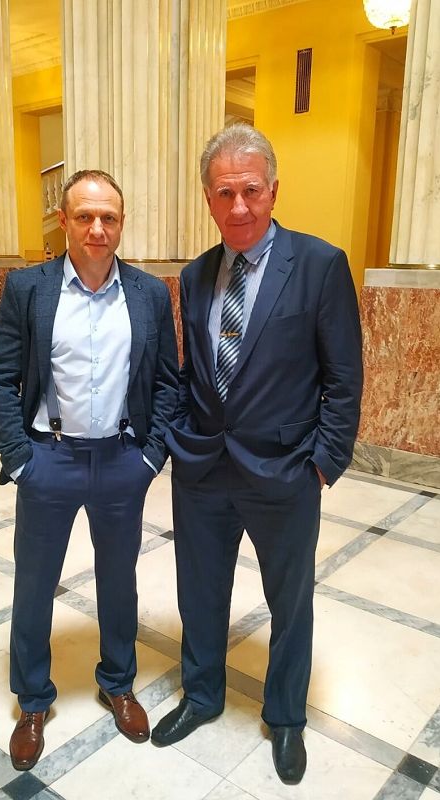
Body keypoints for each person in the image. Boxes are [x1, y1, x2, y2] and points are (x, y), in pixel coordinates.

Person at [150, 124, 363, 785]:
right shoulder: (194, 275)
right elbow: (192, 372)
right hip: (203, 469)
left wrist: (323, 461)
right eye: (224, 193)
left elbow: (343, 377)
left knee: (289, 601)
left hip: (285, 470)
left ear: (272, 190)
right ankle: (202, 695)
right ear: (208, 200)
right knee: (199, 591)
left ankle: (286, 716)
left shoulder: (320, 265)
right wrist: (178, 439)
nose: (238, 206)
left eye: (250, 190)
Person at [0, 169, 178, 771]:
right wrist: (20, 459)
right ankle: (33, 702)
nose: (97, 228)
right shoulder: (28, 289)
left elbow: (167, 382)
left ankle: (118, 682)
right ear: (63, 221)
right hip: (50, 458)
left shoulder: (148, 294)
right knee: (34, 583)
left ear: (121, 224)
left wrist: (150, 457)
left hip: (121, 461)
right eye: (85, 216)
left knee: (119, 580)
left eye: (108, 217)